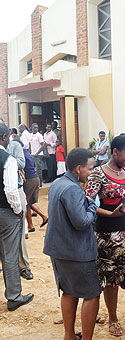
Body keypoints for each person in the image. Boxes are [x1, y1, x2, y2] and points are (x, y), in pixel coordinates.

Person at [43, 148, 99, 340]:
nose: (91, 173)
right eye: (90, 169)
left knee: (69, 291)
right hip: (77, 252)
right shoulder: (73, 188)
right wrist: (92, 206)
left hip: (59, 249)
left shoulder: (58, 182)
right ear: (78, 168)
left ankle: (69, 335)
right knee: (91, 294)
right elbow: (82, 222)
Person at [84, 135, 125, 337]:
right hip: (108, 236)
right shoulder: (98, 174)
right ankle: (113, 318)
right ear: (115, 152)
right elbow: (87, 204)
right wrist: (110, 213)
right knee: (111, 279)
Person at [0, 123, 34, 312]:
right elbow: (11, 190)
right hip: (6, 212)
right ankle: (13, 296)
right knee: (10, 256)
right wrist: (18, 210)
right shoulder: (8, 159)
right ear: (5, 137)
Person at [7, 135, 33, 280]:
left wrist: (6, 159)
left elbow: (21, 163)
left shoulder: (14, 146)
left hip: (15, 189)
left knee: (19, 229)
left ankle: (23, 267)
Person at [23, 148, 48, 233]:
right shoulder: (29, 155)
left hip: (29, 179)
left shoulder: (21, 155)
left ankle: (30, 226)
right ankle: (43, 217)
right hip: (35, 177)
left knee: (25, 202)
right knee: (29, 202)